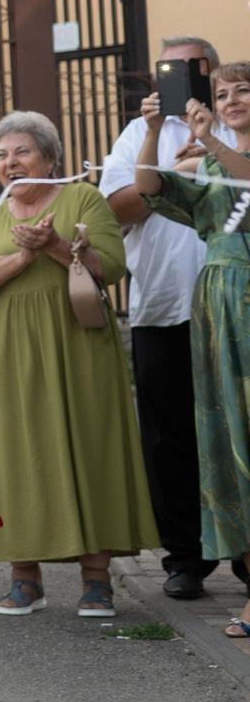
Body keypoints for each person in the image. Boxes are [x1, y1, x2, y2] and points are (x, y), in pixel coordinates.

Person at [0, 109, 153, 618]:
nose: (10, 162)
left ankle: (96, 581)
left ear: (49, 157)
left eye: (22, 151)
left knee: (90, 447)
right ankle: (25, 579)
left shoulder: (83, 197)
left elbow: (111, 266)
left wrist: (57, 246)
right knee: (16, 456)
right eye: (1, 154)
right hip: (6, 352)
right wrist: (23, 257)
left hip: (77, 343)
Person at [103, 36, 235, 600]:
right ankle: (186, 557)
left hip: (233, 306)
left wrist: (208, 150)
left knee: (235, 429)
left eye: (190, 66)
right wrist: (166, 162)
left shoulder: (234, 124)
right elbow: (114, 209)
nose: (179, 77)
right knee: (169, 437)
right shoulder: (139, 134)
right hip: (163, 304)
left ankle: (245, 555)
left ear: (209, 68)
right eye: (169, 68)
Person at [134, 69, 250, 630]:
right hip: (218, 306)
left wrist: (210, 141)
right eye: (222, 93)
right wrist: (154, 129)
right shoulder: (206, 162)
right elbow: (149, 188)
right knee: (228, 444)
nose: (231, 101)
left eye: (242, 90)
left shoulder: (217, 155)